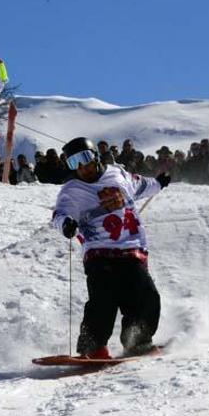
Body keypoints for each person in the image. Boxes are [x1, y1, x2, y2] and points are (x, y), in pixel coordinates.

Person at [52, 137, 170, 359]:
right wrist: (66, 224)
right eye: (73, 163)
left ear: (95, 156)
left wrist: (159, 182)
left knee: (145, 296)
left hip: (131, 248)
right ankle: (92, 347)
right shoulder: (73, 190)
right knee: (104, 298)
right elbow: (60, 214)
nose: (81, 167)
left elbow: (140, 185)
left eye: (84, 158)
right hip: (99, 250)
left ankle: (138, 342)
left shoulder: (117, 174)